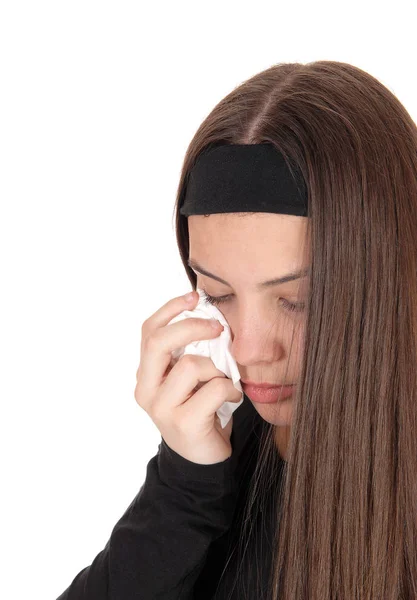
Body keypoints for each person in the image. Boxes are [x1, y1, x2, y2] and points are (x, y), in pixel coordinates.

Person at [57, 60, 417, 599]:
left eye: (298, 301)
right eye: (219, 294)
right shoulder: (223, 447)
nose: (248, 350)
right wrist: (184, 487)